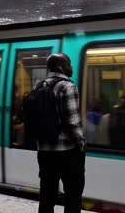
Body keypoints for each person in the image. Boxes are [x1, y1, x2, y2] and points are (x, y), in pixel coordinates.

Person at [37, 53, 86, 213]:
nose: (71, 67)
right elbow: (73, 122)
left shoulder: (39, 86)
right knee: (73, 196)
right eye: (69, 63)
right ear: (60, 66)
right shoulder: (68, 86)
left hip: (44, 152)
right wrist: (81, 144)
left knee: (46, 196)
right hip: (67, 153)